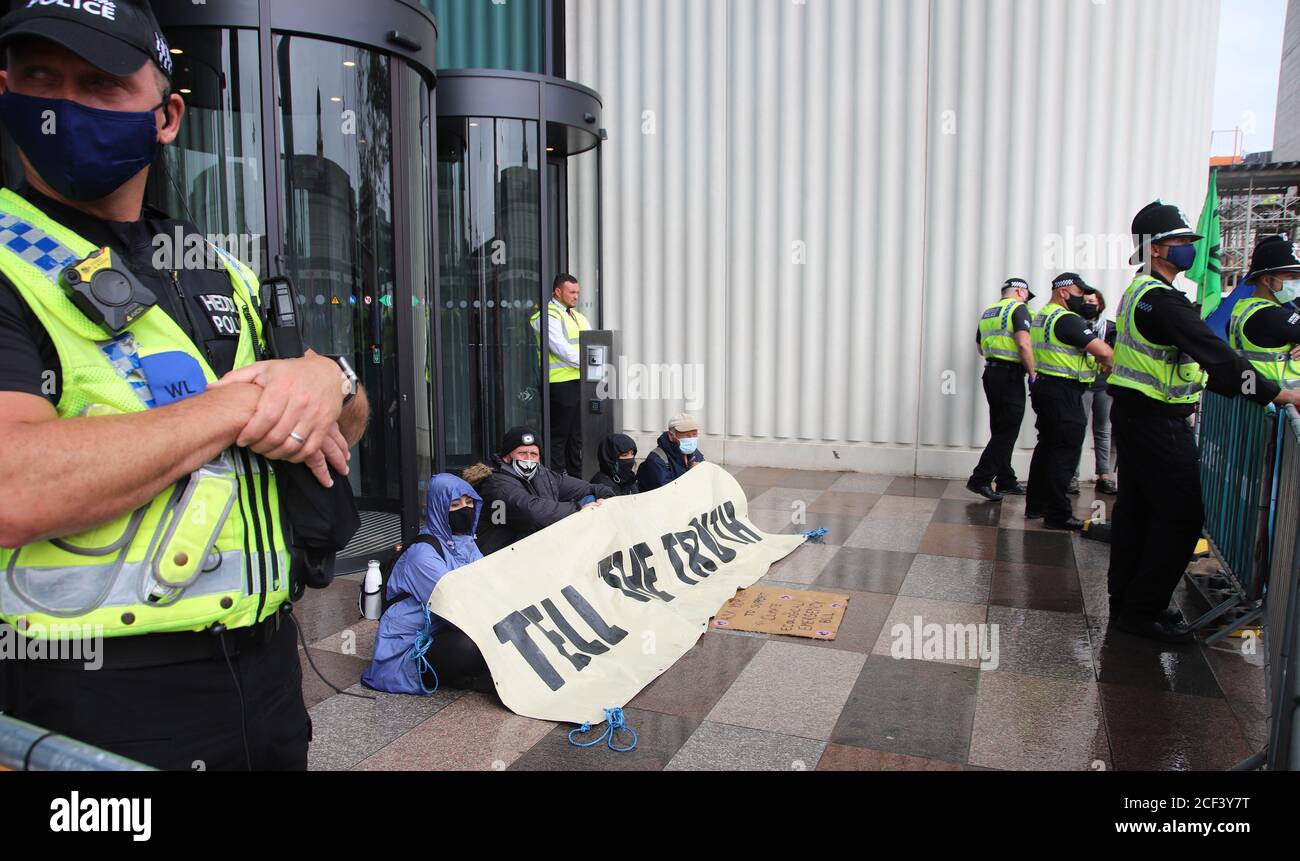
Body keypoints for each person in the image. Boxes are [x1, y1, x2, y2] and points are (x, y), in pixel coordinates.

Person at [0, 0, 371, 771]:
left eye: (101, 84)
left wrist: (330, 380)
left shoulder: (211, 267)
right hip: (87, 703)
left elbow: (343, 422)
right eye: (41, 76)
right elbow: (14, 483)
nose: (65, 104)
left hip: (262, 680)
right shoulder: (10, 262)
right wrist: (234, 404)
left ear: (167, 116)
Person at [1107, 202, 1300, 644]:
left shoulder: (1141, 291)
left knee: (1137, 513)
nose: (1189, 249)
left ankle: (1130, 604)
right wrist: (1280, 393)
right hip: (1157, 421)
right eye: (1180, 243)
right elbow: (1221, 361)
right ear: (1155, 250)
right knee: (1180, 516)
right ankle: (1143, 610)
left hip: (1139, 416)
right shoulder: (1162, 300)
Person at [362, 474, 492, 696]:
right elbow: (456, 605)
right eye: (455, 504)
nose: (465, 509)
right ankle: (462, 675)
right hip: (409, 646)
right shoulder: (423, 554)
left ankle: (471, 673)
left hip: (441, 629)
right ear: (439, 508)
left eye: (469, 502)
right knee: (469, 646)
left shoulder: (465, 542)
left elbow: (486, 584)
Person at [1025, 273, 1114, 531]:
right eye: (1079, 293)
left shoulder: (1043, 315)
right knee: (1064, 452)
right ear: (1063, 292)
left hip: (1046, 387)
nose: (1083, 299)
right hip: (1064, 391)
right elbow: (1104, 351)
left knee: (1047, 448)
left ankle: (1036, 505)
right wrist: (1110, 366)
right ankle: (1058, 514)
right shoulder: (1066, 319)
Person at [471, 427, 615, 555]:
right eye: (522, 453)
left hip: (532, 551)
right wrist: (579, 510)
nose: (528, 459)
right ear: (506, 457)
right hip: (500, 557)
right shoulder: (496, 483)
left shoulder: (543, 475)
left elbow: (590, 488)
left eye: (533, 454)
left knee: (591, 498)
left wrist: (605, 498)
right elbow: (532, 512)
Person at [968, 277, 1036, 501]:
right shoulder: (1018, 309)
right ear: (1019, 292)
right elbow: (1024, 344)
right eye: (1026, 295)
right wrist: (1034, 374)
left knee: (1000, 428)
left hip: (991, 373)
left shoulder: (989, 312)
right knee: (1008, 430)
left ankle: (1006, 479)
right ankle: (981, 479)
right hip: (1010, 375)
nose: (1027, 300)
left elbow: (979, 347)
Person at [530, 273, 591, 478]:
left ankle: (575, 480)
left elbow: (592, 344)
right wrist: (589, 364)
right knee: (559, 437)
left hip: (578, 382)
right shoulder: (546, 316)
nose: (576, 296)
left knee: (576, 437)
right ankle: (556, 481)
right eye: (571, 292)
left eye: (577, 292)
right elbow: (560, 348)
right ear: (558, 292)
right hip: (559, 384)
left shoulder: (577, 316)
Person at [1227, 235, 1300, 390]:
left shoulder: (1244, 309)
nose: (1297, 282)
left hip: (1256, 401)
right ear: (1267, 280)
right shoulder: (1273, 316)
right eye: (1292, 276)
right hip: (1279, 406)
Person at [1073, 291, 1119, 496]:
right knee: (1077, 430)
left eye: (1092, 301)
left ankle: (1104, 476)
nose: (1088, 304)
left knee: (1103, 430)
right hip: (1081, 383)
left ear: (1100, 303)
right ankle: (1072, 476)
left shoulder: (1110, 328)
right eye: (1085, 301)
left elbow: (1115, 355)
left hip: (1103, 384)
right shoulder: (1074, 325)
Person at [637, 412, 706, 493]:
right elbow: (669, 493)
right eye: (686, 435)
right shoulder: (656, 460)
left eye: (694, 434)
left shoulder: (694, 453)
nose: (691, 439)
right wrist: (692, 475)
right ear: (671, 435)